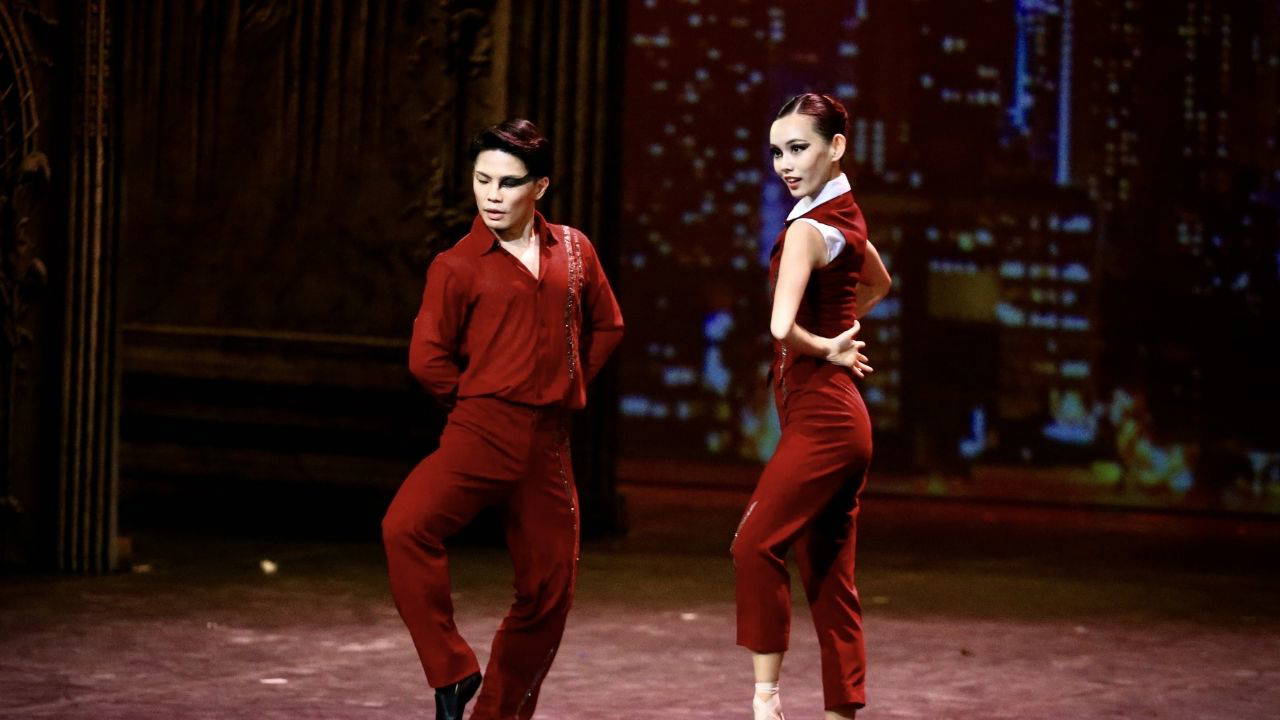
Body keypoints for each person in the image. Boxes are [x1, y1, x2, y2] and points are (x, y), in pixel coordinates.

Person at [382, 118, 624, 720]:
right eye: (482, 179)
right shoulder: (457, 264)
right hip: (481, 430)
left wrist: (569, 380)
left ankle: (497, 714)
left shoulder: (573, 249)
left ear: (539, 187)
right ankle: (452, 670)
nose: (491, 195)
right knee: (405, 528)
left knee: (550, 589)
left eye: (508, 183)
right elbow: (426, 357)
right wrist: (475, 402)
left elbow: (608, 325)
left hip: (548, 440)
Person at [731, 92, 893, 720]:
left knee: (753, 545)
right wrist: (840, 332)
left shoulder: (805, 229)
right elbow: (880, 282)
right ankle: (840, 713)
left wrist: (825, 344)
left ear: (837, 146)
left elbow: (779, 327)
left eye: (798, 148)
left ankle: (765, 703)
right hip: (844, 420)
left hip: (823, 416)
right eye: (777, 152)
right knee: (829, 579)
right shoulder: (846, 217)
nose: (785, 164)